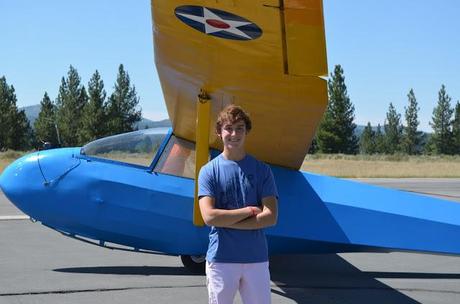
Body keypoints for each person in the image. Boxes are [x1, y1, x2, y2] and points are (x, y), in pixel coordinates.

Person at [198, 104, 278, 304]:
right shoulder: (208, 171)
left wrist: (225, 220)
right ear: (219, 132)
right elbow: (208, 217)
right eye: (228, 128)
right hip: (221, 259)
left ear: (247, 131)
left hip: (256, 259)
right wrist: (248, 211)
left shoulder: (263, 170)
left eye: (240, 128)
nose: (234, 134)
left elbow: (270, 216)